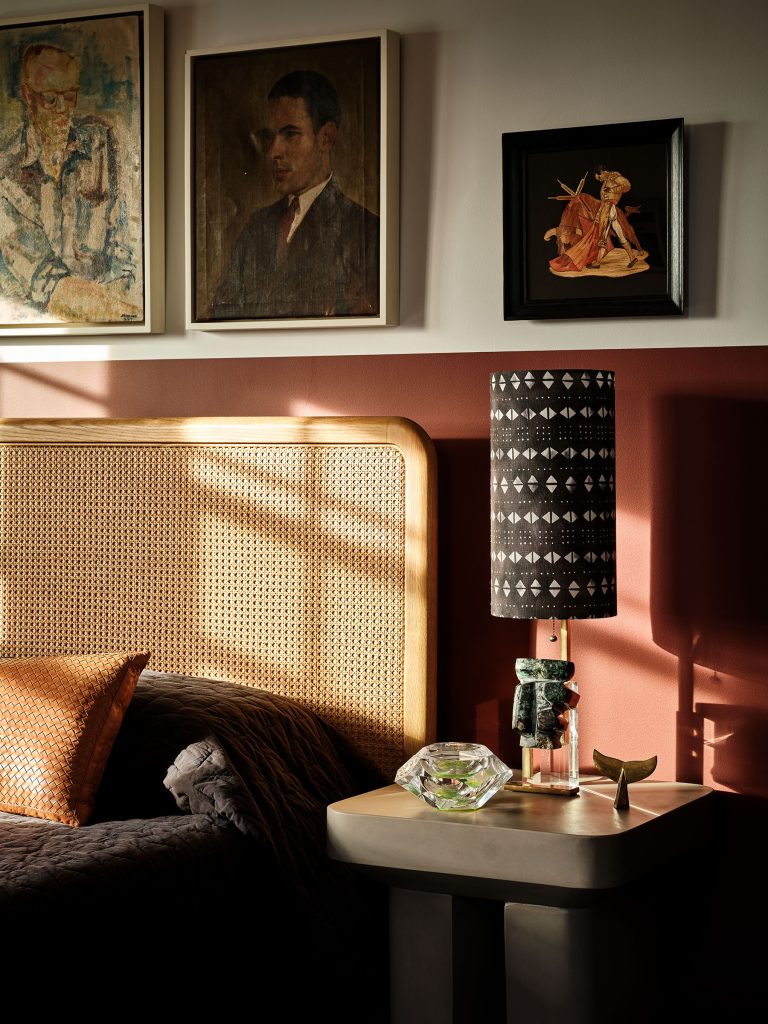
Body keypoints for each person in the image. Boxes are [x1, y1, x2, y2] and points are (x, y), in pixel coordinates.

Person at [211, 69, 379, 320]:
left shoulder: (367, 233)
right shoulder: (256, 228)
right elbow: (221, 315)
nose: (273, 152)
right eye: (270, 136)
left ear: (325, 138)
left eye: (290, 134)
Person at [0, 42, 140, 323]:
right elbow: (48, 282)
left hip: (113, 311)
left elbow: (129, 250)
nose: (63, 109)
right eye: (50, 98)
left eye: (70, 96)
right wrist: (127, 314)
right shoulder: (8, 173)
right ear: (28, 95)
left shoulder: (103, 145)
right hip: (47, 322)